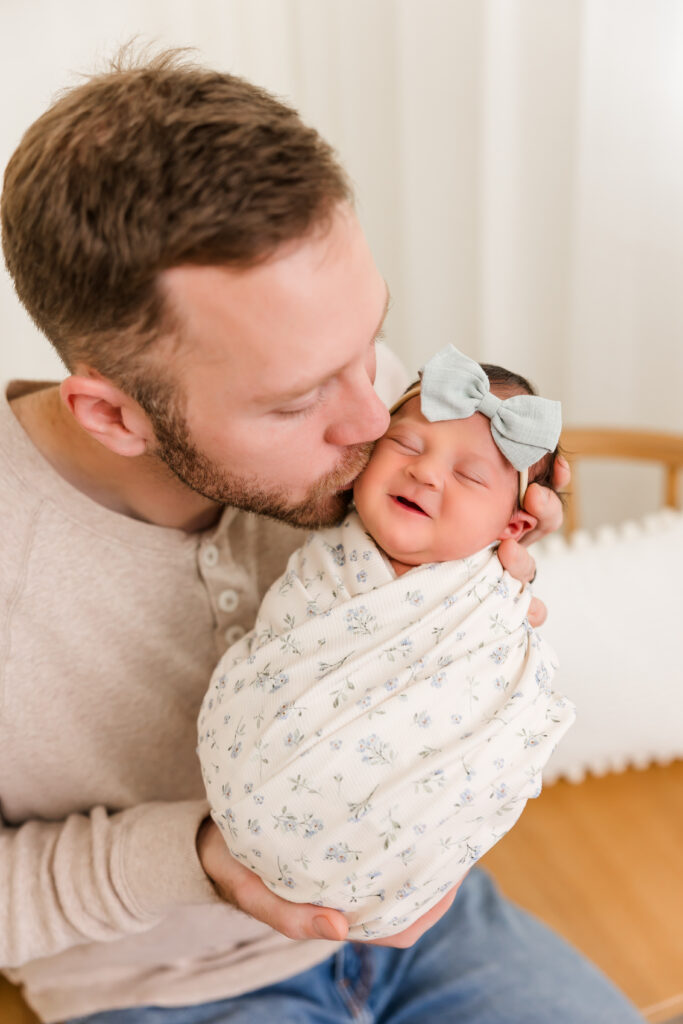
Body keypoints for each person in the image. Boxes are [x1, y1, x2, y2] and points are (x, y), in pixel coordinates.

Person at [0, 49, 644, 1024]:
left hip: (436, 920)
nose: (373, 417)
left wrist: (470, 577)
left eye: (369, 346)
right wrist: (203, 858)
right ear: (114, 415)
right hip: (163, 987)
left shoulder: (367, 401)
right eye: (300, 397)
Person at [199, 346, 576, 940]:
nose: (425, 473)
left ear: (515, 526)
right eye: (406, 445)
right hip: (224, 889)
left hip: (399, 855)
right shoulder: (329, 558)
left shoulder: (487, 598)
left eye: (470, 475)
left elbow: (489, 712)